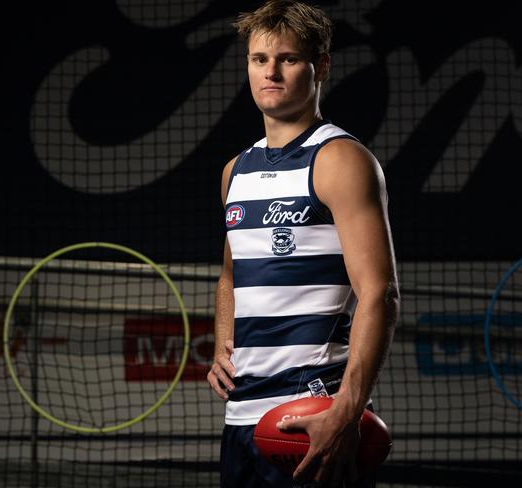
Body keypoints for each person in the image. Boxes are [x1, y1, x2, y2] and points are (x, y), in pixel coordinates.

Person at [207, 1, 400, 487]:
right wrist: (222, 347)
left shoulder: (341, 160)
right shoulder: (236, 171)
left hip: (313, 414)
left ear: (322, 67)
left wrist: (346, 410)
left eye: (289, 59)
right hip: (241, 419)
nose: (271, 72)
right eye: (259, 59)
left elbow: (380, 292)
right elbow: (232, 275)